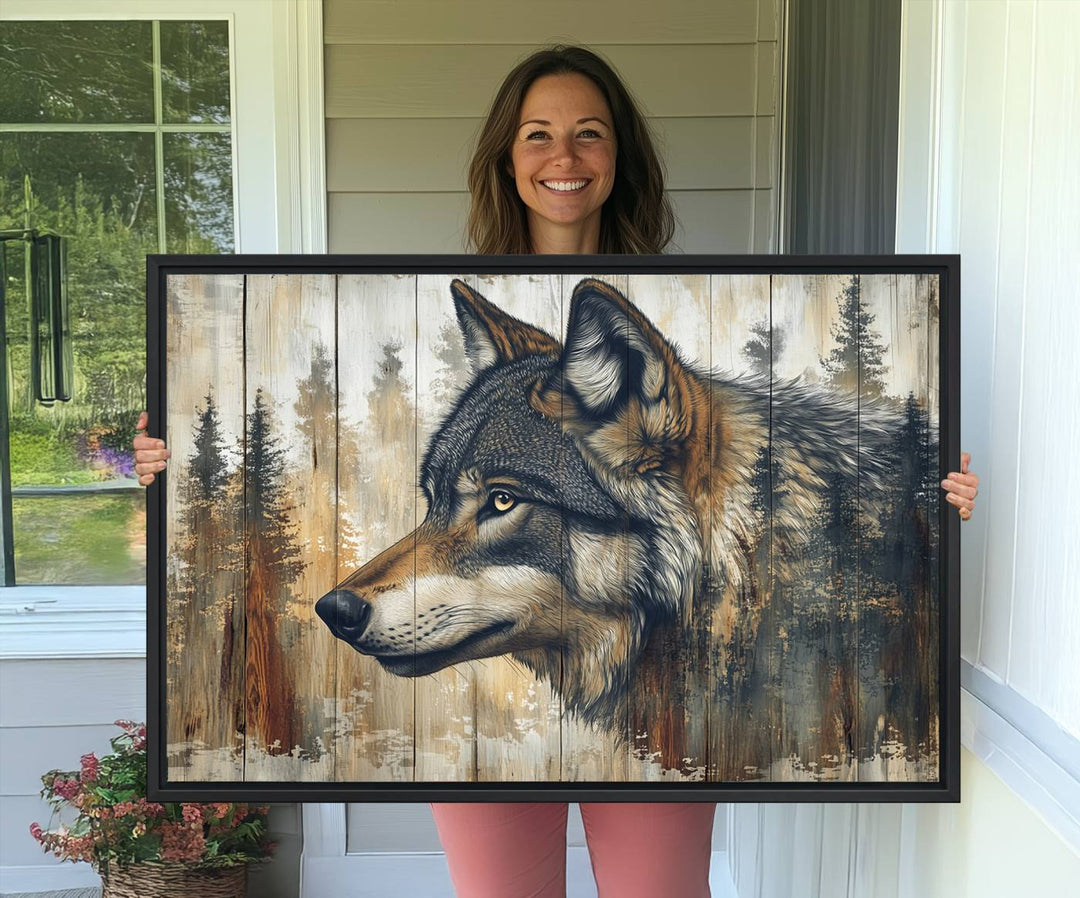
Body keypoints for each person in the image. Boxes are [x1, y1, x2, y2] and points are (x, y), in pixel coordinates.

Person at [133, 45, 980, 897]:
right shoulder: (486, 336)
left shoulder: (692, 317)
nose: (563, 158)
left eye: (589, 134)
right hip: (492, 732)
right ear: (508, 158)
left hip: (663, 695)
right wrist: (164, 467)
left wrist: (929, 501)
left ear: (619, 160)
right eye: (537, 135)